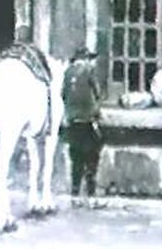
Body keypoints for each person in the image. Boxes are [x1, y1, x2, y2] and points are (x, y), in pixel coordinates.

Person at [61, 46, 103, 208]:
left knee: (76, 161)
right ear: (85, 59)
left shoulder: (67, 73)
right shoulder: (89, 71)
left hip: (73, 122)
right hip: (88, 121)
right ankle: (91, 197)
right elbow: (97, 93)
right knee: (91, 160)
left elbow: (63, 95)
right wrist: (97, 113)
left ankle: (74, 195)